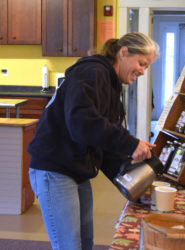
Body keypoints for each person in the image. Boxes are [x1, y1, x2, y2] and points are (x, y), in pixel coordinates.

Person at [27, 32, 160, 250]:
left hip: (77, 170)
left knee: (85, 244)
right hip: (55, 169)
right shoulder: (91, 72)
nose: (143, 71)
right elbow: (82, 123)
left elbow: (102, 145)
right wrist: (130, 143)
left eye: (147, 66)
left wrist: (130, 184)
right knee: (69, 246)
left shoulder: (110, 84)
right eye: (141, 63)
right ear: (124, 52)